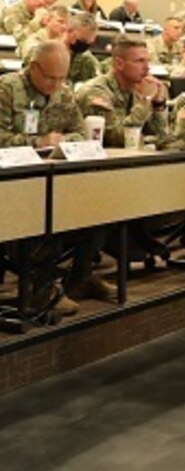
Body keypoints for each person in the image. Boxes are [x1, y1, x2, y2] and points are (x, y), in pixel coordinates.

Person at [0, 41, 113, 314]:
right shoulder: (6, 90)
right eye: (50, 77)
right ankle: (41, 292)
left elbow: (77, 130)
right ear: (33, 67)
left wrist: (64, 142)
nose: (56, 83)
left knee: (102, 208)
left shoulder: (63, 94)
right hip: (12, 181)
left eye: (62, 77)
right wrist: (37, 141)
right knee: (46, 215)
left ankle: (80, 277)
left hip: (53, 175)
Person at [77, 36, 168, 147]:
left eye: (147, 61)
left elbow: (161, 135)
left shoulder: (136, 88)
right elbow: (117, 138)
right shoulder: (96, 92)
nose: (147, 68)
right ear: (119, 64)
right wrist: (145, 101)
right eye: (140, 61)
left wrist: (158, 104)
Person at [64, 11, 99, 85]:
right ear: (69, 30)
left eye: (89, 42)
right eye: (83, 40)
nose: (85, 44)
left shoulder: (87, 60)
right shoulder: (51, 52)